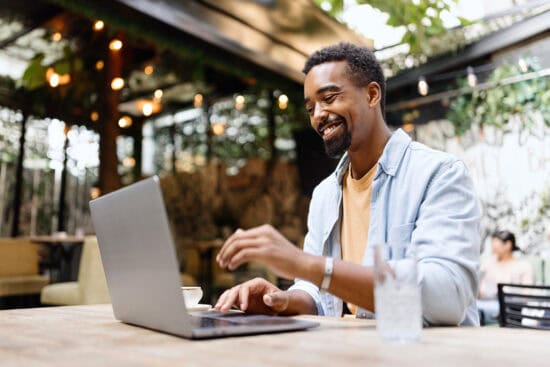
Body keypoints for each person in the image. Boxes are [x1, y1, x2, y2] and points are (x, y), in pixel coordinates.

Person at [214, 43, 481, 326]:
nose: (317, 115)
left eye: (329, 97)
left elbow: (446, 297)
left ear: (372, 94)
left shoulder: (439, 174)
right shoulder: (325, 194)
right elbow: (317, 293)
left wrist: (303, 263)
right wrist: (281, 302)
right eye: (310, 107)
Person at [478, 230, 533, 300]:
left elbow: (526, 293)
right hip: (488, 302)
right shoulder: (487, 264)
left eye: (496, 245)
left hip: (512, 305)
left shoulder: (523, 266)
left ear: (508, 245)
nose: (493, 248)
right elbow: (481, 287)